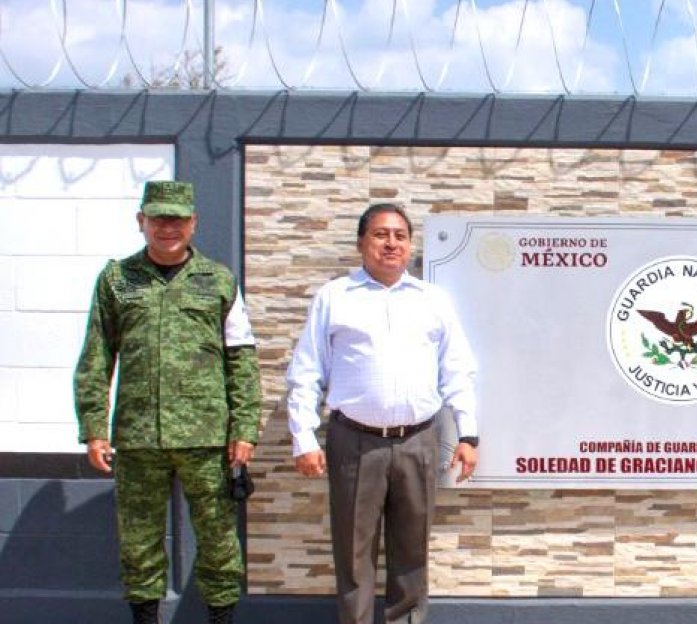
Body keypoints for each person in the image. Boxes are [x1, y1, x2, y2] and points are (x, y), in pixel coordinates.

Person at [73, 180, 263, 624]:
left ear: (193, 223)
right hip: (138, 436)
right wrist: (94, 428)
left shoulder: (219, 280)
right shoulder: (117, 280)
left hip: (207, 437)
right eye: (158, 218)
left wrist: (244, 429)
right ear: (141, 221)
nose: (167, 228)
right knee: (139, 541)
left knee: (218, 539)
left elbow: (241, 359)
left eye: (177, 219)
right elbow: (96, 356)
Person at [285, 202, 480, 624]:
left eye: (400, 236)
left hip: (418, 441)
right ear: (361, 243)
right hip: (354, 442)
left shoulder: (432, 300)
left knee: (412, 551)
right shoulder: (335, 296)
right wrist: (303, 438)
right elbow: (307, 371)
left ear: (410, 245)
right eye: (380, 234)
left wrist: (468, 434)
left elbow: (457, 370)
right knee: (353, 551)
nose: (391, 243)